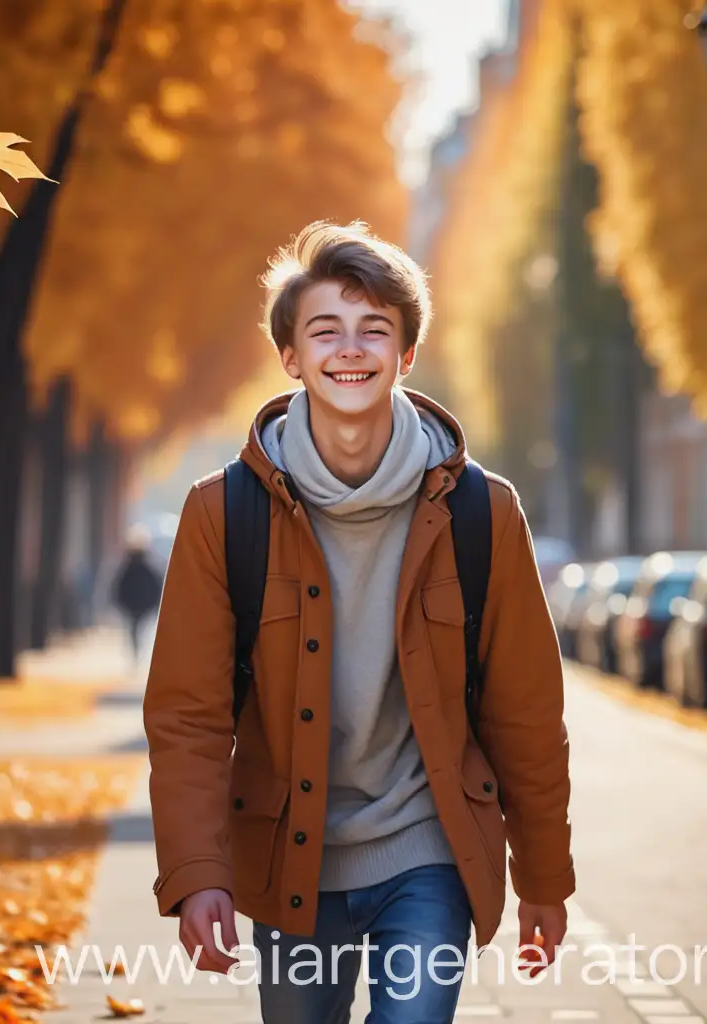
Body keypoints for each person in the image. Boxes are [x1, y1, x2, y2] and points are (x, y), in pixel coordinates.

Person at [143, 221, 574, 1023]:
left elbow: (526, 714)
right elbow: (188, 718)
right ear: (290, 357)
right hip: (288, 864)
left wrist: (543, 877)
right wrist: (197, 872)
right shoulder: (220, 515)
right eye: (325, 330)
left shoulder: (485, 512)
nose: (350, 349)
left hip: (429, 854)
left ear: (407, 354)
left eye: (375, 328)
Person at [111, 526, 163, 658]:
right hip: (140, 604)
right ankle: (137, 652)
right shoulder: (144, 565)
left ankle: (137, 652)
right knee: (137, 630)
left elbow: (118, 584)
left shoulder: (129, 565)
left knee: (136, 629)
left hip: (136, 604)